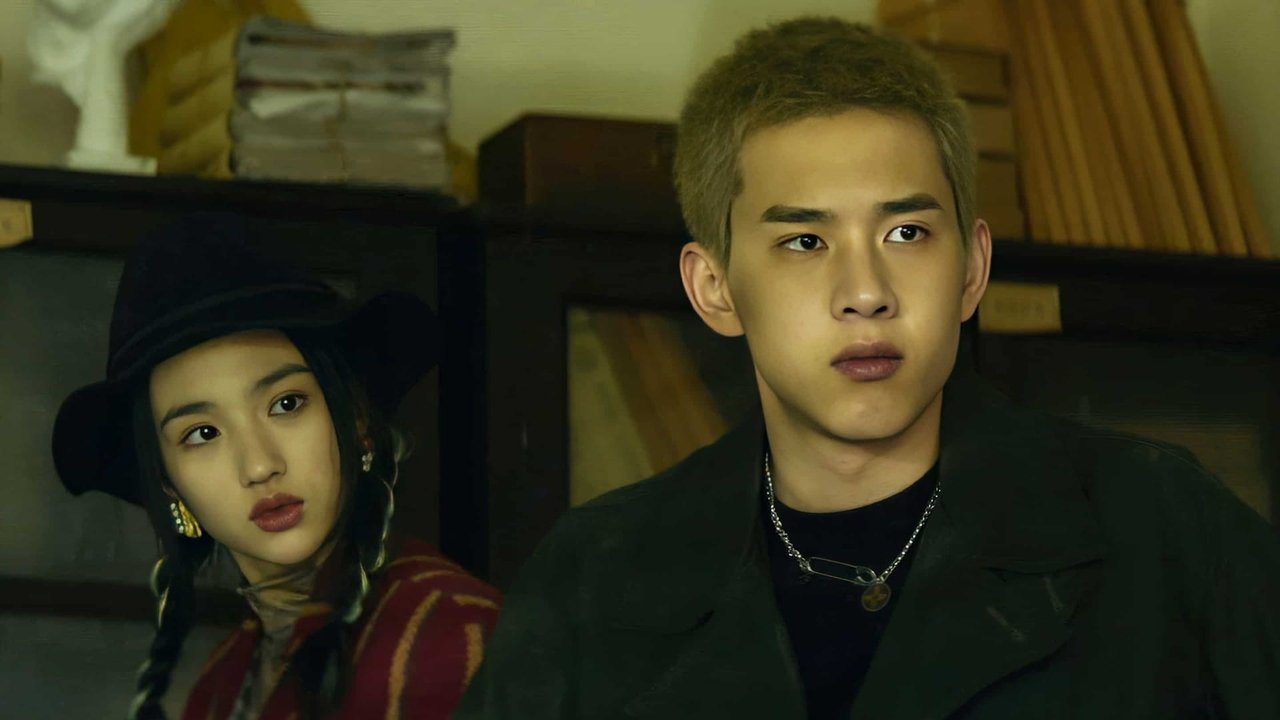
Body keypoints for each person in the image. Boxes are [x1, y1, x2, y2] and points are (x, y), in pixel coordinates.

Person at [455, 17, 1280, 719]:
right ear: (715, 289)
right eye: (804, 241)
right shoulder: (595, 574)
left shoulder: (1159, 523)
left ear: (972, 269)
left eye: (906, 234)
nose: (866, 293)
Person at [52, 214, 500, 720]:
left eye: (286, 404)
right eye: (203, 433)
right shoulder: (224, 680)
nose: (260, 465)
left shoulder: (451, 638)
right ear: (168, 484)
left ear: (356, 420)